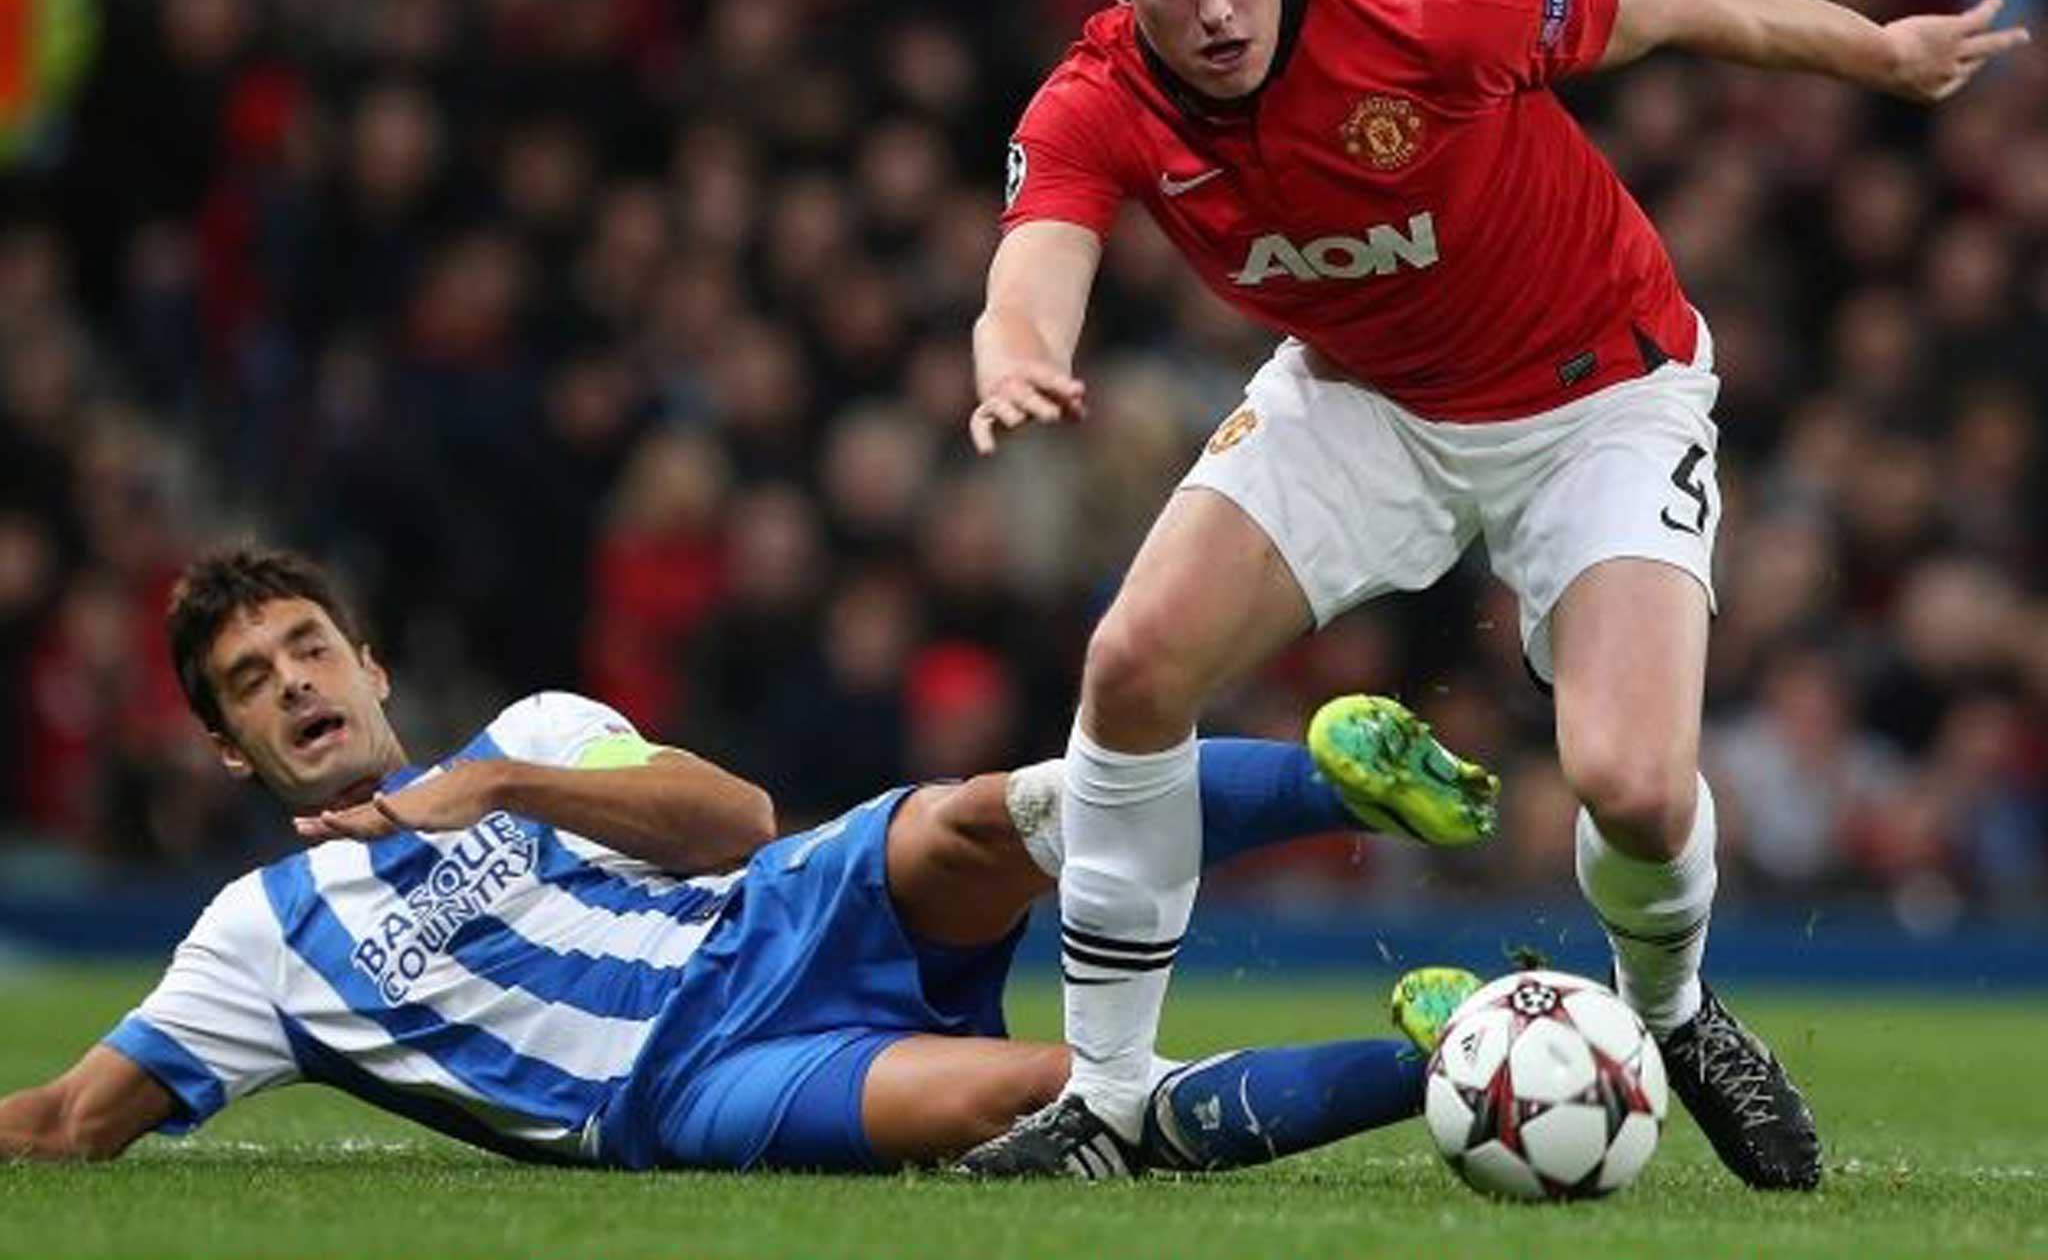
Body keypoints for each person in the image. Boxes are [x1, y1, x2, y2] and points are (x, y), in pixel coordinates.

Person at [963, 0, 2031, 1188]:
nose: (1217, 4)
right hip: (1366, 400)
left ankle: (1674, 1013)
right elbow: (1027, 280)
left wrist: (1878, 49)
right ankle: (1107, 1095)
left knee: (1633, 786)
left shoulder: (1432, 3)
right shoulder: (1097, 101)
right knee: (1133, 663)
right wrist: (1021, 363)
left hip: (1603, 395)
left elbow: (1675, 0)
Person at [0, 544, 1499, 1174]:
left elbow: (736, 821)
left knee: (980, 818)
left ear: (371, 665)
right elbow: (72, 1123)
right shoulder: (255, 938)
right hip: (684, 1089)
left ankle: (1346, 782)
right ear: (226, 749)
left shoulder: (533, 734)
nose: (294, 686)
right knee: (1055, 1101)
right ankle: (1444, 1065)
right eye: (252, 685)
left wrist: (501, 786)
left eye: (307, 649)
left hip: (767, 918)